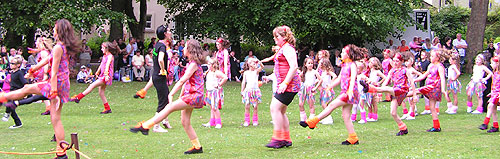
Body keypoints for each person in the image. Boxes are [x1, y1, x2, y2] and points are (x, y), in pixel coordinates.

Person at [0, 19, 80, 159]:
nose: (53, 31)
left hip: (56, 84)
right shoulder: (62, 46)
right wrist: (33, 69)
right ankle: (61, 152)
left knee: (27, 88)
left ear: (59, 31)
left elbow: (53, 71)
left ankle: (3, 97)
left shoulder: (58, 48)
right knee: (55, 118)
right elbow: (46, 60)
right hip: (63, 84)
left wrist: (53, 91)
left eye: (55, 28)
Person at [130, 39, 207, 154]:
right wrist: (181, 95)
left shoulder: (193, 65)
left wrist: (171, 94)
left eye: (185, 47)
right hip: (191, 94)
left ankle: (146, 126)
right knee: (185, 122)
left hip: (194, 96)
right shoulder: (192, 64)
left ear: (190, 50)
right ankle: (197, 147)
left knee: (169, 107)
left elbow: (182, 81)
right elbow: (187, 83)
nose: (183, 49)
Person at [300, 44, 365, 145]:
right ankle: (353, 137)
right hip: (347, 92)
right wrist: (330, 86)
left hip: (349, 93)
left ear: (348, 55)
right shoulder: (344, 65)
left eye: (343, 52)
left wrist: (351, 90)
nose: (341, 54)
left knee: (331, 105)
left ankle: (313, 121)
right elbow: (339, 79)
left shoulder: (352, 65)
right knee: (345, 115)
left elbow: (353, 78)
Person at [259, 25, 300, 148]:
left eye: (277, 36)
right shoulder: (283, 48)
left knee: (274, 108)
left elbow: (294, 67)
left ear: (284, 37)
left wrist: (285, 83)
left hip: (289, 85)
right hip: (285, 84)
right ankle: (286, 138)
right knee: (281, 111)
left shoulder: (288, 48)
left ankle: (277, 138)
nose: (275, 39)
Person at [361, 52, 416, 136]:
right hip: (395, 91)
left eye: (397, 61)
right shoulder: (392, 70)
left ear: (401, 62)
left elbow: (412, 82)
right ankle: (403, 128)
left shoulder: (405, 70)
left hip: (402, 90)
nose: (395, 63)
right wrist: (380, 89)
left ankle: (368, 88)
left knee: (388, 89)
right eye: (394, 61)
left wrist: (415, 95)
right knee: (393, 113)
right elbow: (385, 82)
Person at [141, 25, 173, 132]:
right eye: (168, 31)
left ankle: (164, 120)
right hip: (159, 77)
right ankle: (156, 125)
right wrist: (163, 70)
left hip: (156, 76)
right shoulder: (162, 46)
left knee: (166, 98)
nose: (170, 32)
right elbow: (160, 59)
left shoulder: (157, 45)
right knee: (163, 101)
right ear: (165, 34)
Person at [70, 42, 116, 114]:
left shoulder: (110, 56)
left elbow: (107, 66)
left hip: (106, 76)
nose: (101, 49)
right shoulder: (104, 56)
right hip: (103, 75)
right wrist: (97, 72)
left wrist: (106, 75)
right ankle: (107, 108)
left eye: (102, 48)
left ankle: (78, 97)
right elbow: (101, 65)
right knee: (101, 92)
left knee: (92, 85)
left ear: (107, 48)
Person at [412, 50, 446, 132]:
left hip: (434, 87)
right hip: (429, 85)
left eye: (432, 56)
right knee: (432, 107)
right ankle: (436, 126)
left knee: (417, 91)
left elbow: (442, 78)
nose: (430, 58)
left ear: (437, 58)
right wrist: (415, 80)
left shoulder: (440, 67)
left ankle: (400, 93)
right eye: (430, 56)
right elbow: (424, 75)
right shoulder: (430, 65)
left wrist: (443, 89)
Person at [2, 57, 27, 129]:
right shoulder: (12, 73)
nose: (11, 65)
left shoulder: (19, 73)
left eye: (13, 64)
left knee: (10, 105)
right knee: (9, 105)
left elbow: (25, 83)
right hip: (12, 91)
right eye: (11, 63)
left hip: (17, 92)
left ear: (18, 65)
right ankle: (17, 122)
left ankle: (8, 115)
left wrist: (25, 93)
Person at [202, 59, 228, 128]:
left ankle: (218, 122)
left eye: (209, 64)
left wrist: (219, 84)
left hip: (215, 91)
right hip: (209, 91)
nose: (208, 65)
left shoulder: (216, 72)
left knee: (215, 107)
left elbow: (225, 77)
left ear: (213, 65)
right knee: (212, 107)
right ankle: (212, 122)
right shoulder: (209, 72)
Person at [479, 56, 500, 133]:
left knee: (490, 105)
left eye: (493, 63)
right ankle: (495, 125)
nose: (491, 64)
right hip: (494, 92)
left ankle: (485, 123)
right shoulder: (495, 73)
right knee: (493, 109)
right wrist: (491, 92)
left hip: (498, 94)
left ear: (498, 63)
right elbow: (494, 84)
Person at [240, 57, 263, 126]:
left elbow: (262, 66)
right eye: (253, 62)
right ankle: (246, 120)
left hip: (255, 91)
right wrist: (242, 90)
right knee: (247, 105)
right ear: (249, 64)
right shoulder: (246, 73)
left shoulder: (256, 71)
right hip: (248, 91)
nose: (254, 64)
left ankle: (255, 120)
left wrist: (258, 61)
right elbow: (243, 82)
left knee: (255, 106)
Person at [298, 57, 322, 122]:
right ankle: (303, 118)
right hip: (304, 89)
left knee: (311, 104)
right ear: (305, 64)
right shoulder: (304, 72)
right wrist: (300, 84)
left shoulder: (314, 72)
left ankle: (311, 119)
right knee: (301, 104)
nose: (310, 64)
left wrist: (315, 87)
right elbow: (298, 77)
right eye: (309, 63)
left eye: (312, 63)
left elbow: (320, 80)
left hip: (310, 90)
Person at [317, 51, 336, 124]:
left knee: (324, 104)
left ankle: (329, 118)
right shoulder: (323, 72)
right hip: (324, 89)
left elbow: (335, 76)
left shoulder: (328, 71)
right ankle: (326, 117)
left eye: (321, 64)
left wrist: (331, 84)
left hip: (327, 90)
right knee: (324, 103)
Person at [366, 57, 386, 122]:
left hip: (374, 88)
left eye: (370, 62)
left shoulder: (377, 71)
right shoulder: (371, 71)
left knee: (374, 102)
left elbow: (385, 77)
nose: (369, 64)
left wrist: (378, 83)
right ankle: (370, 115)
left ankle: (375, 116)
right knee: (369, 102)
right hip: (369, 87)